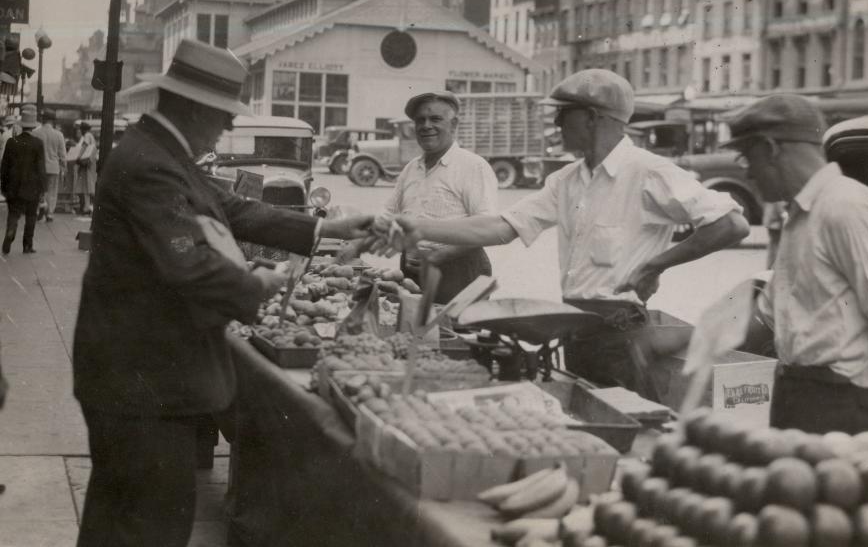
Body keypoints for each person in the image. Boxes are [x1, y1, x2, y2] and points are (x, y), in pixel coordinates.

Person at [72, 38, 373, 547]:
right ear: (194, 108)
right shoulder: (151, 163)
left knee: (117, 522)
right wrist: (257, 285)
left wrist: (329, 230)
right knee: (149, 527)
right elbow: (187, 263)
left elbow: (232, 209)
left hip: (133, 376)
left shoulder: (163, 152)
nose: (228, 126)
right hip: (142, 385)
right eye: (224, 114)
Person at [375, 69, 749, 395]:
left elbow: (731, 224)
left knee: (623, 425)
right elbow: (503, 227)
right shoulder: (566, 180)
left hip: (621, 332)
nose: (556, 126)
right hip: (575, 327)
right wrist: (421, 226)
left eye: (562, 116)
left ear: (592, 118)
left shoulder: (647, 171)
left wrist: (656, 265)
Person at [725, 94, 868, 434]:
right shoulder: (801, 213)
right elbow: (769, 315)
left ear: (771, 148)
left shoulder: (847, 207)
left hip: (842, 404)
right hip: (797, 395)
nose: (747, 173)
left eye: (747, 157)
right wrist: (694, 343)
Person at [375, 90, 499, 305]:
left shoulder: (473, 166)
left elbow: (488, 229)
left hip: (459, 273)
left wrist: (438, 256)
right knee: (412, 332)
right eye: (420, 120)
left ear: (454, 124)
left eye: (435, 119)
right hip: (412, 271)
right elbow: (388, 216)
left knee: (456, 334)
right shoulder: (411, 169)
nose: (426, 126)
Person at [1, 105, 46, 255]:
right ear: (32, 127)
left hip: (13, 187)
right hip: (32, 188)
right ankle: (27, 245)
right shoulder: (38, 144)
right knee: (31, 216)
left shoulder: (12, 142)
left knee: (13, 214)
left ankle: (10, 232)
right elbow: (41, 169)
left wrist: (3, 186)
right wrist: (43, 189)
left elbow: (4, 167)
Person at [33, 110, 67, 221]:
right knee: (52, 190)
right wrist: (64, 167)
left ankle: (41, 206)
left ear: (43, 119)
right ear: (53, 121)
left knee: (39, 189)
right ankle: (50, 213)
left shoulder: (35, 132)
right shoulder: (59, 134)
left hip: (39, 167)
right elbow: (62, 154)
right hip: (53, 167)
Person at [74, 122, 97, 215]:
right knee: (87, 186)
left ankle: (87, 207)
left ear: (83, 129)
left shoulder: (87, 135)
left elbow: (84, 147)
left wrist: (78, 157)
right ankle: (86, 206)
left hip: (86, 164)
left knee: (87, 186)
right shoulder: (91, 136)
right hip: (89, 163)